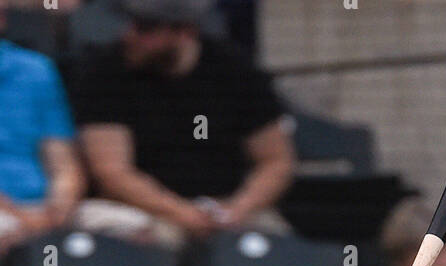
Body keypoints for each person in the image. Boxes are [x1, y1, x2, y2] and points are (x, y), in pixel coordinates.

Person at [69, 0, 294, 248]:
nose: (130, 35)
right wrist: (182, 213)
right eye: (131, 24)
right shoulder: (106, 72)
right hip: (144, 209)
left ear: (185, 32)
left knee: (272, 247)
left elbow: (275, 161)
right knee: (139, 239)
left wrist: (239, 208)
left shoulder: (234, 68)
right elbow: (112, 172)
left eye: (146, 29)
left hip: (226, 205)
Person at [0, 0, 84, 253]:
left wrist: (59, 208)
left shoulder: (36, 70)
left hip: (42, 208)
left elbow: (64, 163)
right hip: (9, 215)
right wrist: (19, 217)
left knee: (138, 232)